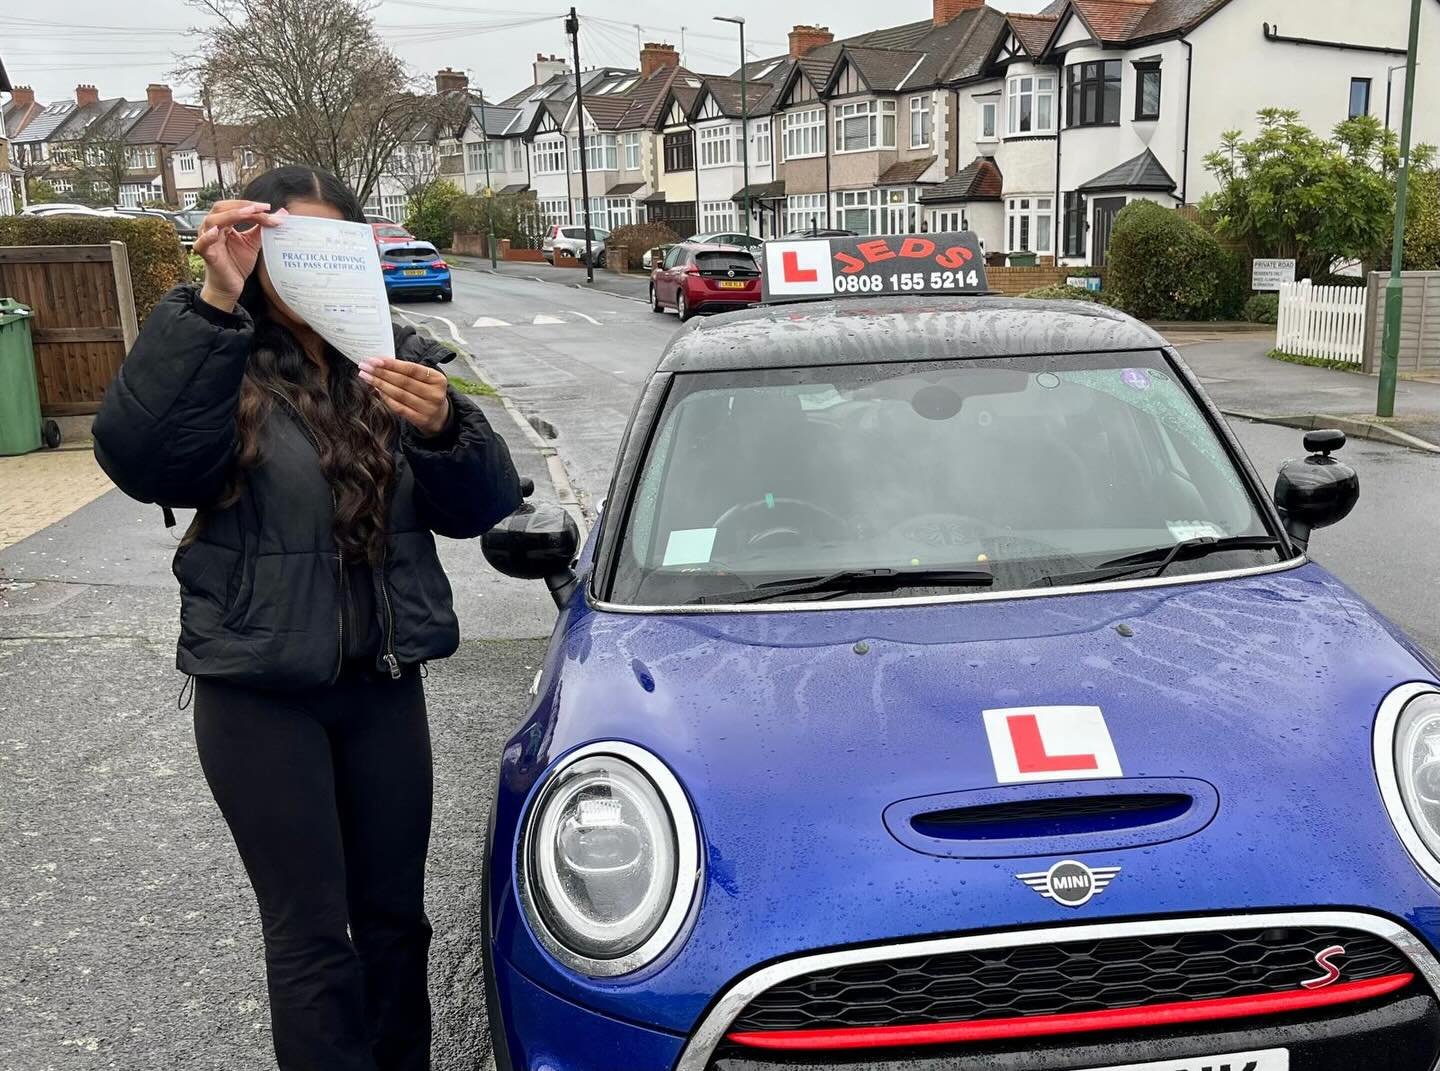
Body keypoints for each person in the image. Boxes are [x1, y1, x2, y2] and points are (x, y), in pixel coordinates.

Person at [92, 165, 521, 1071]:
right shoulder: (220, 355)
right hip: (259, 693)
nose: (307, 271)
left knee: (398, 922)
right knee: (314, 936)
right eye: (285, 247)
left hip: (382, 685)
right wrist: (214, 294)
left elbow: (479, 507)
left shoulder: (395, 360)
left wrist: (449, 428)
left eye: (331, 247)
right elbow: (142, 459)